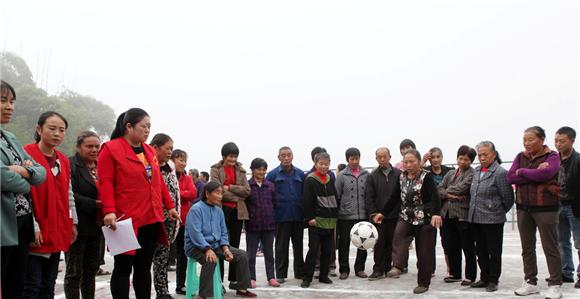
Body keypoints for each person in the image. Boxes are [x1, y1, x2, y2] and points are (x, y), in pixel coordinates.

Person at [99, 108, 179, 299]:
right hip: (123, 219)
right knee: (123, 267)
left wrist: (170, 206)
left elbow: (158, 183)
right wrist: (108, 211)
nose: (147, 130)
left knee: (143, 267)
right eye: (144, 126)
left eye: (149, 126)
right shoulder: (110, 149)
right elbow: (106, 182)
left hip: (150, 217)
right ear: (129, 126)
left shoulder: (149, 151)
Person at [23, 111, 79, 298]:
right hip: (36, 231)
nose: (57, 134)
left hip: (57, 228)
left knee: (49, 284)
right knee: (32, 285)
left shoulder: (63, 160)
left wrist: (73, 222)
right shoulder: (26, 154)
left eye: (61, 130)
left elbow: (68, 193)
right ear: (39, 129)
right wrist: (34, 226)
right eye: (52, 128)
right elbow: (24, 196)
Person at [1, 80, 47, 299]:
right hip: (3, 223)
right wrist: (25, 177)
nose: (9, 106)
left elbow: (41, 173)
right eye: (3, 101)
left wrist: (23, 171)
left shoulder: (9, 137)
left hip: (21, 220)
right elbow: (3, 178)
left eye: (12, 102)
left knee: (16, 283)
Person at [509, 126, 563, 299]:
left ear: (541, 139)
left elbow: (548, 173)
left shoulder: (552, 156)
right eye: (524, 139)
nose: (526, 143)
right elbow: (510, 177)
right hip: (523, 208)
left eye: (530, 139)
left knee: (550, 247)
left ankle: (555, 284)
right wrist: (535, 173)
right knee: (527, 248)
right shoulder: (520, 156)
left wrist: (523, 172)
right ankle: (530, 282)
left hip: (546, 208)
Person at [184, 181, 257, 298]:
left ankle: (242, 288)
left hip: (216, 245)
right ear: (207, 194)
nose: (220, 196)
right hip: (195, 246)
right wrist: (207, 249)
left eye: (221, 193)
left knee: (242, 255)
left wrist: (226, 248)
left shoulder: (219, 211)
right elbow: (195, 234)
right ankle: (203, 296)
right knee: (210, 260)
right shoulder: (196, 209)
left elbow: (223, 233)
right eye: (217, 193)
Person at [387, 149, 442, 294]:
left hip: (425, 218)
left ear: (419, 162)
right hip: (406, 215)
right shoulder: (401, 177)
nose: (409, 164)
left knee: (424, 252)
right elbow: (394, 197)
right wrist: (382, 213)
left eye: (412, 161)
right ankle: (397, 265)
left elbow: (435, 196)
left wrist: (437, 214)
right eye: (406, 162)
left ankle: (423, 282)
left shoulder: (426, 177)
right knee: (399, 234)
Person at [468, 141, 514, 292]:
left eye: (485, 154)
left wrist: (495, 210)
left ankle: (493, 279)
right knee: (480, 250)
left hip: (493, 219)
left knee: (494, 251)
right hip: (475, 218)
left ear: (493, 155)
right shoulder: (476, 171)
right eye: (479, 155)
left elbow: (507, 198)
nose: (482, 158)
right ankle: (484, 277)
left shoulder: (500, 172)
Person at [64, 131, 103, 299]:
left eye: (97, 146)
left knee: (91, 269)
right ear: (79, 147)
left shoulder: (101, 166)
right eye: (89, 146)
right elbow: (69, 194)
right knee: (74, 271)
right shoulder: (70, 165)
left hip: (96, 226)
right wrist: (93, 203)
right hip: (77, 225)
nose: (94, 150)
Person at [210, 142, 250, 287]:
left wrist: (230, 187)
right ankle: (218, 280)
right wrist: (236, 196)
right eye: (230, 156)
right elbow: (216, 190)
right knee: (219, 244)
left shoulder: (242, 171)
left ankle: (233, 279)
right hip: (220, 211)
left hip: (238, 212)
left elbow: (247, 191)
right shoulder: (215, 169)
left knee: (235, 245)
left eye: (235, 156)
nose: (233, 159)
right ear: (224, 156)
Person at [266, 146, 306, 283]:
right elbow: (268, 197)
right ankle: (281, 274)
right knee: (281, 246)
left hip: (298, 216)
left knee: (298, 245)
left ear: (293, 156)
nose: (286, 158)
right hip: (280, 216)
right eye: (283, 155)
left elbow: (305, 195)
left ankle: (300, 272)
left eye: (289, 155)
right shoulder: (272, 175)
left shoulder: (301, 174)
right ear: (278, 158)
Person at [438, 145, 476, 285]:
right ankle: (455, 273)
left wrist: (446, 192)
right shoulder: (450, 173)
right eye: (460, 158)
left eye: (466, 159)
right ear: (457, 158)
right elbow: (438, 189)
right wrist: (450, 195)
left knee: (467, 246)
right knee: (451, 245)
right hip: (447, 214)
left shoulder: (472, 174)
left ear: (471, 161)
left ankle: (470, 275)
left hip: (463, 215)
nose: (462, 162)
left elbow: (462, 188)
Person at [301, 152, 338, 288]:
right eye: (321, 164)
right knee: (313, 250)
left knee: (327, 251)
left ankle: (324, 275)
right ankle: (307, 277)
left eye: (326, 164)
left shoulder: (330, 178)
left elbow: (334, 198)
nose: (324, 166)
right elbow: (307, 201)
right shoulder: (310, 179)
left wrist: (335, 215)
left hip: (330, 221)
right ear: (315, 164)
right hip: (316, 221)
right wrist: (310, 218)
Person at [150, 133, 181, 299]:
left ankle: (162, 291)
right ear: (155, 147)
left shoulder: (170, 167)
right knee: (146, 258)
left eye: (171, 148)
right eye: (167, 148)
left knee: (163, 257)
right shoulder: (147, 165)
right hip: (151, 219)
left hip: (169, 219)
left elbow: (175, 194)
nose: (170, 152)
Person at [365, 147, 402, 281]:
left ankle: (388, 268)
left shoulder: (399, 174)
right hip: (379, 217)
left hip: (395, 216)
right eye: (379, 157)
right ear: (376, 159)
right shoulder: (372, 176)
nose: (382, 159)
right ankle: (378, 269)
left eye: (384, 156)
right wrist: (373, 214)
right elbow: (369, 197)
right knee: (379, 243)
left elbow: (401, 195)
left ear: (390, 157)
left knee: (393, 243)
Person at [335, 147, 370, 279]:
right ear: (347, 160)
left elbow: (369, 194)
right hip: (345, 215)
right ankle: (344, 270)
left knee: (363, 243)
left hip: (363, 215)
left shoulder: (366, 174)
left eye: (357, 158)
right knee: (344, 243)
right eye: (352, 159)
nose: (355, 161)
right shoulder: (341, 176)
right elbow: (337, 196)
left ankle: (360, 269)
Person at [246, 158, 280, 287]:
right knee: (251, 254)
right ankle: (251, 278)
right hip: (252, 225)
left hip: (269, 224)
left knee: (269, 254)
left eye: (263, 169)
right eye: (258, 169)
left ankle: (271, 277)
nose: (261, 172)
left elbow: (274, 203)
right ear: (253, 170)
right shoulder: (248, 186)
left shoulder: (270, 185)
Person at [554, 126, 580, 288]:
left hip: (574, 206)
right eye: (556, 141)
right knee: (562, 242)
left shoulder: (578, 160)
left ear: (572, 141)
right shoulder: (553, 160)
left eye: (562, 141)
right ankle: (566, 272)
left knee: (579, 242)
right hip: (557, 206)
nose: (558, 144)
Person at [423, 147, 454, 275]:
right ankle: (431, 269)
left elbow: (453, 188)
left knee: (447, 241)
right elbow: (413, 175)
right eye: (432, 157)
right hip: (430, 210)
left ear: (442, 157)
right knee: (429, 242)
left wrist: (446, 195)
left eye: (438, 157)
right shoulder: (425, 171)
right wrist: (423, 160)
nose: (435, 160)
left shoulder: (450, 171)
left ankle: (450, 269)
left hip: (446, 210)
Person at [173, 150, 197, 295]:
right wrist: (182, 194)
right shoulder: (165, 175)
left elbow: (193, 193)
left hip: (183, 223)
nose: (183, 163)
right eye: (180, 160)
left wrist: (176, 193)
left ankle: (180, 284)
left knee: (182, 255)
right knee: (164, 256)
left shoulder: (187, 178)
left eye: (185, 160)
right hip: (168, 221)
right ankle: (161, 287)